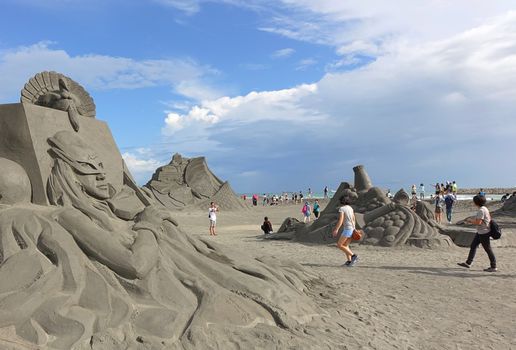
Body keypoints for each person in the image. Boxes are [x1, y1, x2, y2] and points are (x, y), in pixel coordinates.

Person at [458, 195, 497, 272]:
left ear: (476, 202)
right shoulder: (484, 208)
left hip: (484, 232)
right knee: (473, 246)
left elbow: (479, 222)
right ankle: (468, 263)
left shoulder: (481, 210)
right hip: (481, 232)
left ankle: (494, 266)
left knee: (488, 249)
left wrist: (470, 221)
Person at [332, 196, 358, 267]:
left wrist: (336, 229)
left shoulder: (342, 209)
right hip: (352, 228)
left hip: (347, 229)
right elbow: (353, 218)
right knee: (346, 245)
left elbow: (341, 220)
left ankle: (353, 256)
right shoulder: (350, 208)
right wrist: (354, 228)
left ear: (342, 201)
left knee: (339, 245)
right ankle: (349, 261)